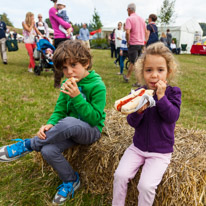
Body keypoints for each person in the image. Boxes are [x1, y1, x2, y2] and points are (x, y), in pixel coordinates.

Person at [0, 40, 106, 205]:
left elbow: (94, 118)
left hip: (90, 131)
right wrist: (50, 124)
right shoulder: (66, 84)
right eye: (64, 68)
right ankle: (71, 181)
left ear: (86, 63)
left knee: (70, 121)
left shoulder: (97, 85)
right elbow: (59, 111)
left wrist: (77, 96)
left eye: (73, 65)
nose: (69, 71)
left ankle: (29, 145)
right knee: (48, 150)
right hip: (70, 131)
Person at [112, 42, 181, 206]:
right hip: (137, 147)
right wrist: (139, 111)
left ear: (168, 72)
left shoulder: (173, 92)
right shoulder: (138, 93)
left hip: (160, 152)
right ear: (142, 73)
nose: (154, 75)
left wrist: (161, 97)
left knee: (146, 185)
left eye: (160, 70)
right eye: (149, 70)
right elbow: (131, 122)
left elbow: (172, 116)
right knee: (120, 175)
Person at [49, 0, 73, 88]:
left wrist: (71, 28)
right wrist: (69, 27)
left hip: (66, 38)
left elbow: (69, 24)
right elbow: (63, 23)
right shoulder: (52, 10)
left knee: (69, 59)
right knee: (60, 60)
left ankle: (71, 82)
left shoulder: (61, 11)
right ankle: (57, 83)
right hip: (59, 38)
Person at [123, 3, 146, 87]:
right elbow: (145, 31)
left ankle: (136, 80)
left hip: (133, 43)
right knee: (137, 62)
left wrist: (128, 41)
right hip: (141, 43)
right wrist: (144, 41)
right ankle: (128, 77)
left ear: (129, 9)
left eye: (127, 10)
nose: (127, 11)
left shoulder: (129, 19)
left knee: (133, 62)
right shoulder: (142, 19)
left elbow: (128, 32)